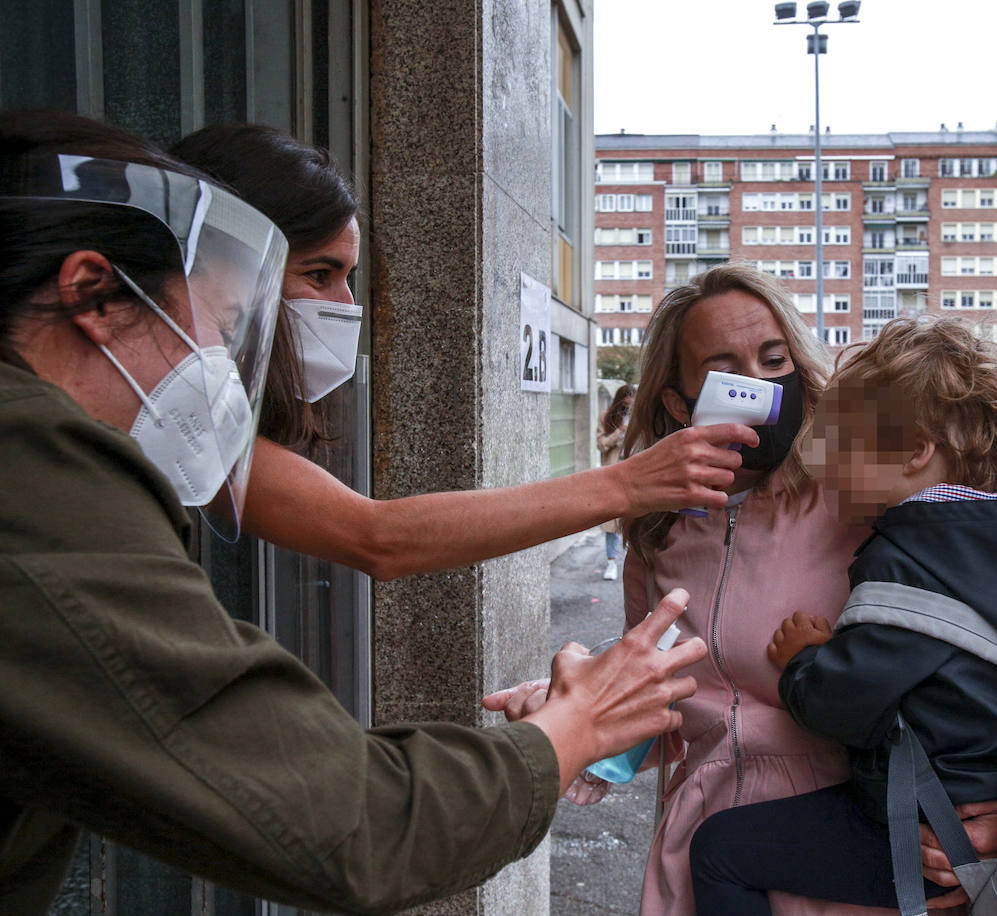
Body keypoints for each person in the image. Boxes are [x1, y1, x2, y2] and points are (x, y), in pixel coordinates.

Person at [0, 110, 708, 914]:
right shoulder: (38, 471)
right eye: (229, 326)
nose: (219, 366)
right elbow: (351, 823)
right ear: (93, 290)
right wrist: (578, 723)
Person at [486, 268, 997, 916]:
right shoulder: (656, 530)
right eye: (725, 367)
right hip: (703, 861)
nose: (760, 385)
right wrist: (568, 708)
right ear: (680, 402)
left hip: (858, 857)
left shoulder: (867, 504)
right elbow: (658, 705)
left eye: (773, 359)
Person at [167, 123, 756, 576]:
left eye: (350, 277)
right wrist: (626, 485)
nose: (346, 305)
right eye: (320, 274)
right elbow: (378, 537)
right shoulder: (168, 400)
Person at [685, 317, 997, 913]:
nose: (824, 462)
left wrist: (805, 660)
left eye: (842, 441)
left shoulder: (909, 557)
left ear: (917, 451)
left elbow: (843, 702)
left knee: (719, 849)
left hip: (929, 830)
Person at [598, 383, 635, 580]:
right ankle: (611, 562)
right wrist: (620, 432)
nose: (629, 409)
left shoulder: (640, 418)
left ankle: (632, 561)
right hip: (613, 474)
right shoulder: (606, 417)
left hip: (634, 474)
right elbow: (601, 444)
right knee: (611, 521)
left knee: (633, 520)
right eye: (626, 405)